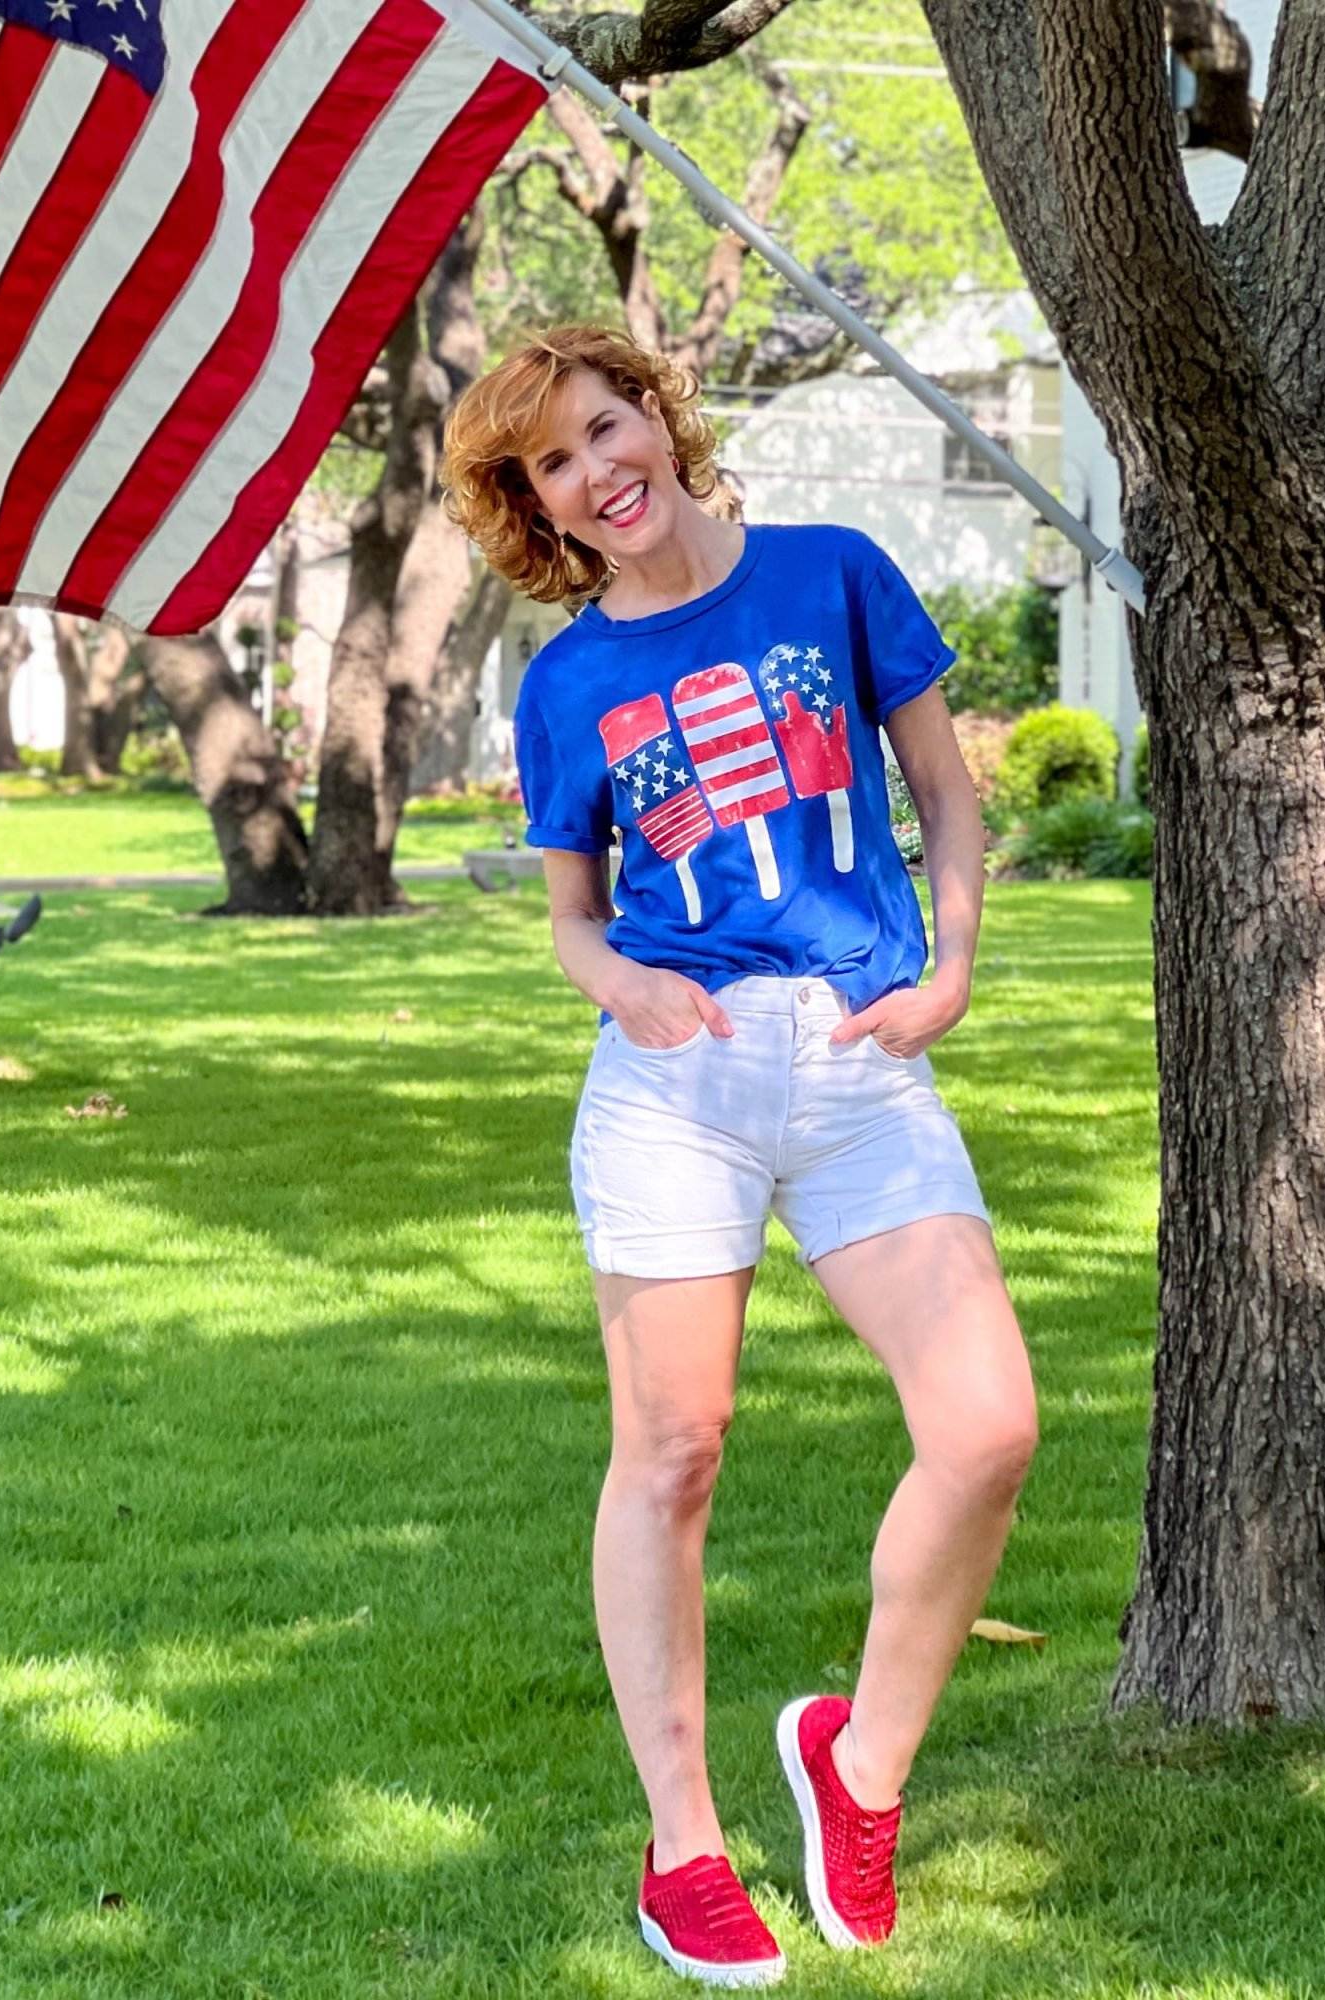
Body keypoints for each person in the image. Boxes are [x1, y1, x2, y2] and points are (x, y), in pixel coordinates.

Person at [440, 324, 1038, 1988]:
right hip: (674, 1085)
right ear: (533, 504)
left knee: (987, 1430)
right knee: (675, 1451)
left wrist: (955, 968)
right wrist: (625, 981)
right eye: (549, 463)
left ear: (660, 414)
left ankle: (860, 1769)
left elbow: (944, 784)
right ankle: (683, 1847)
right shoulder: (569, 681)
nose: (592, 473)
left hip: (856, 1057)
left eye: (604, 426)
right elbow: (570, 914)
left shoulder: (834, 574)